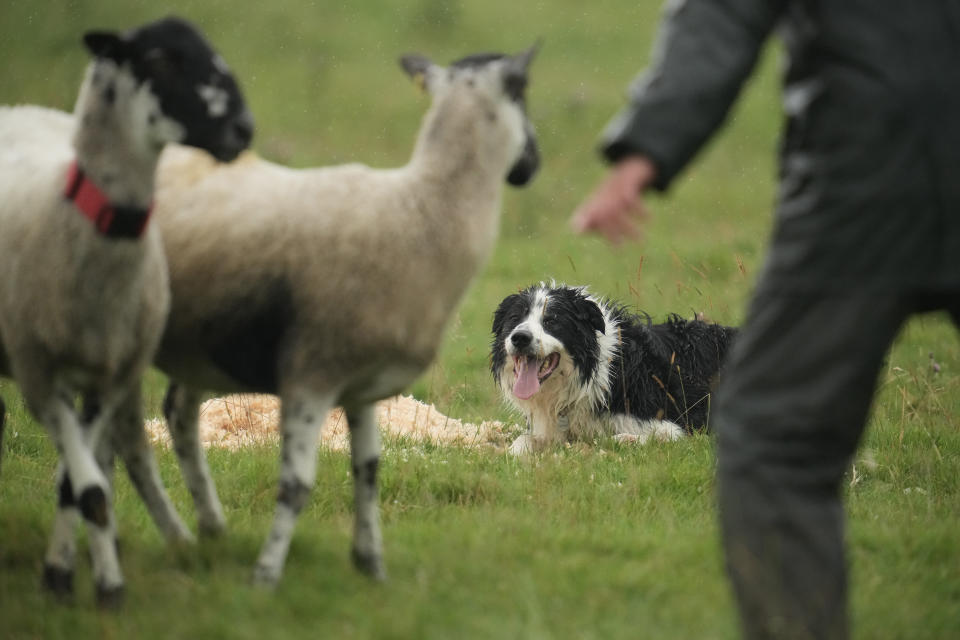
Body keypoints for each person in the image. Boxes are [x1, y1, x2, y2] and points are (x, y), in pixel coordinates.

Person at [571, 1, 960, 638]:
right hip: (874, 168)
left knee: (774, 439)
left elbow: (723, 12)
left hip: (867, 176)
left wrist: (646, 144)